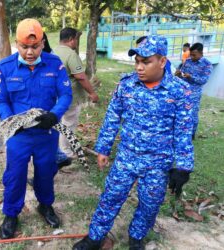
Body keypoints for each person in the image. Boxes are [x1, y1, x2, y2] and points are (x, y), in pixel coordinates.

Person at [73, 35, 194, 250]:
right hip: (126, 158)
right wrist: (103, 148)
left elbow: (183, 132)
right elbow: (112, 118)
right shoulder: (127, 85)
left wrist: (183, 167)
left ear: (162, 61)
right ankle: (95, 237)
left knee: (150, 205)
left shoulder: (180, 92)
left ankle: (136, 237)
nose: (139, 67)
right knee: (110, 197)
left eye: (146, 62)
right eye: (137, 61)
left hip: (158, 164)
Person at [0, 18, 72, 239]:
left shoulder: (54, 64)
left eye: (35, 46)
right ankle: (11, 214)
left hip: (46, 133)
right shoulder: (5, 67)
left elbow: (65, 94)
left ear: (43, 42)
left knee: (45, 172)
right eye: (24, 47)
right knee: (15, 174)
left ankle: (45, 205)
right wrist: (11, 121)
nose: (30, 52)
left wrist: (54, 114)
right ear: (16, 44)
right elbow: (0, 100)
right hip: (19, 135)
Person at [53, 27, 99, 163]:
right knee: (69, 123)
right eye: (76, 39)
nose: (76, 42)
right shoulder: (71, 54)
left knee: (57, 122)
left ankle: (56, 148)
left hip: (54, 94)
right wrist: (92, 93)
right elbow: (80, 77)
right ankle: (65, 151)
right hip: (69, 96)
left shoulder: (52, 52)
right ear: (72, 39)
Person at [175, 42, 213, 139]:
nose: (191, 57)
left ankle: (192, 135)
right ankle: (181, 132)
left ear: (201, 53)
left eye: (194, 55)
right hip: (182, 91)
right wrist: (178, 74)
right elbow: (182, 73)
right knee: (180, 112)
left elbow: (203, 80)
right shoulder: (188, 61)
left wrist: (191, 76)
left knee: (192, 114)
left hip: (194, 94)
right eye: (191, 54)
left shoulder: (207, 65)